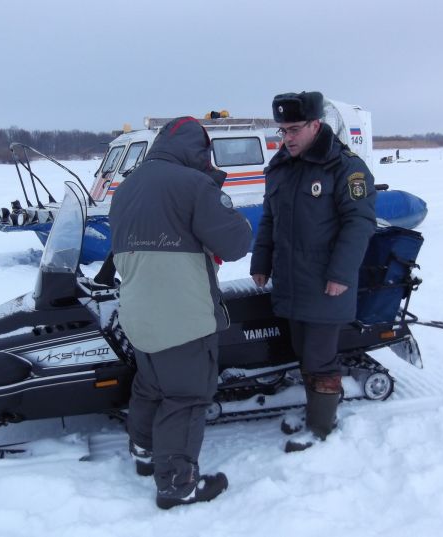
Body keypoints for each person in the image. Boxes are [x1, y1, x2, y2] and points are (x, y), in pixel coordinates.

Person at [109, 116, 252, 509]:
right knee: (187, 395)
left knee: (151, 385)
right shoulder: (194, 185)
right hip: (182, 315)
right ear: (199, 152)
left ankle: (143, 452)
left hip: (139, 313)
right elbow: (237, 242)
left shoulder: (126, 188)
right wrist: (214, 192)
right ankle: (177, 483)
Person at [250, 91, 377, 452]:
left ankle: (321, 429)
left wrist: (341, 274)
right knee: (302, 352)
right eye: (282, 131)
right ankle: (313, 414)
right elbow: (270, 219)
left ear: (315, 124)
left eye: (293, 130)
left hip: (326, 283)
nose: (286, 138)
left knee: (320, 358)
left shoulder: (345, 167)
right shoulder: (281, 166)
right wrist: (261, 261)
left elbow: (359, 223)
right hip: (291, 281)